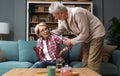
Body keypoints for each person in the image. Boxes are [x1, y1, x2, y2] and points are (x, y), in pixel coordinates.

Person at [49, 2, 105, 73]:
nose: (56, 18)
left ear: (61, 13)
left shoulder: (78, 13)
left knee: (92, 61)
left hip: (96, 34)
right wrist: (47, 33)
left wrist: (71, 41)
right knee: (85, 61)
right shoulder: (63, 19)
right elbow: (59, 30)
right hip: (86, 38)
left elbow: (85, 33)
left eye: (55, 16)